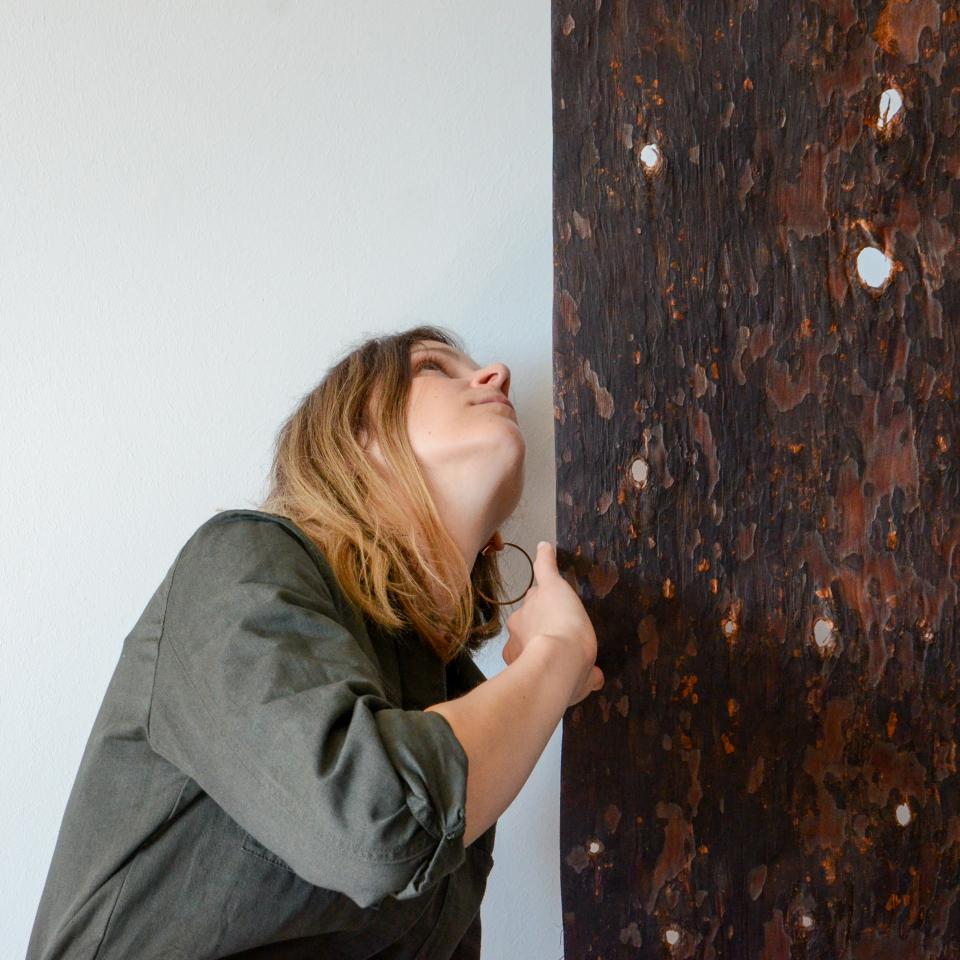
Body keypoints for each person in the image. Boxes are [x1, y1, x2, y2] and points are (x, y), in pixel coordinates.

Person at [25, 325, 604, 960]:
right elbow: (375, 823)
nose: (496, 375)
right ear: (358, 433)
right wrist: (555, 658)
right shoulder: (240, 559)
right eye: (433, 367)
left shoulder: (462, 699)